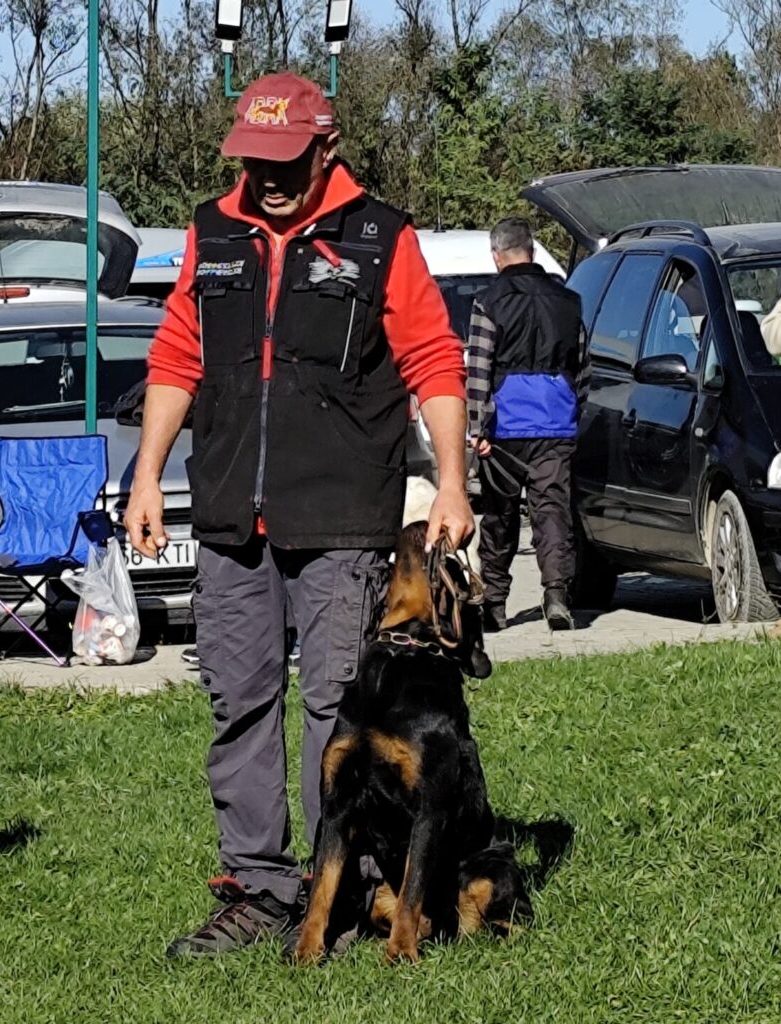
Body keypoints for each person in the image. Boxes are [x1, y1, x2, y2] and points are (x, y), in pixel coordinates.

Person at [124, 71, 473, 957]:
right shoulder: (214, 232)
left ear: (327, 147)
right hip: (231, 516)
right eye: (254, 160)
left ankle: (350, 891)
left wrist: (456, 483)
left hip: (343, 518)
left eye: (285, 161)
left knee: (336, 710)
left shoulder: (380, 235)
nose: (269, 178)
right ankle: (259, 889)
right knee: (238, 702)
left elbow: (432, 358)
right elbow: (176, 353)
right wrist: (147, 473)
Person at [466, 216, 589, 632]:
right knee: (552, 510)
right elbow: (583, 366)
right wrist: (575, 411)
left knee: (499, 515)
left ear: (496, 256)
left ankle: (495, 605)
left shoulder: (488, 301)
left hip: (505, 427)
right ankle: (556, 595)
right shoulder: (569, 300)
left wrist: (477, 427)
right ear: (532, 252)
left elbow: (478, 369)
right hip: (556, 422)